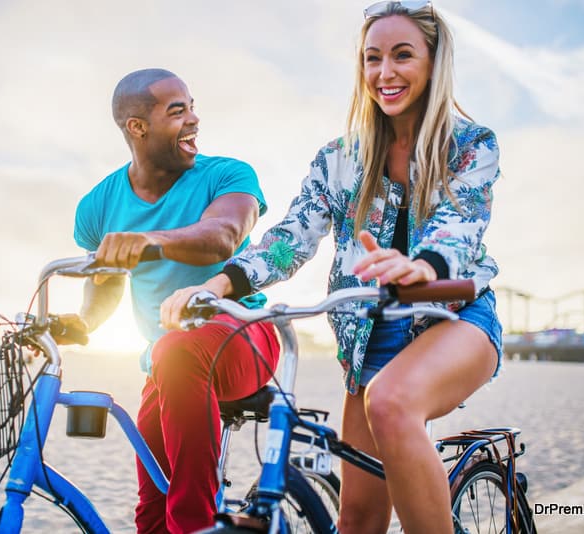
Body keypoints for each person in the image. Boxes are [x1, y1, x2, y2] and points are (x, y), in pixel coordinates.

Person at [160, 3, 502, 533]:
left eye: (402, 55)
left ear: (434, 63)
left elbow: (460, 225)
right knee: (358, 518)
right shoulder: (339, 158)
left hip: (453, 320)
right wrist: (219, 282)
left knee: (389, 403)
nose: (384, 73)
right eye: (372, 58)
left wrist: (421, 265)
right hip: (369, 342)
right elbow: (291, 237)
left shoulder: (472, 146)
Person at [68, 68, 280, 533]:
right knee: (151, 509)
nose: (194, 119)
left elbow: (223, 237)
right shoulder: (99, 205)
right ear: (137, 127)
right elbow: (106, 282)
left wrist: (149, 240)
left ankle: (197, 528)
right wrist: (82, 323)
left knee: (175, 354)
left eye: (192, 106)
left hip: (243, 334)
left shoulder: (227, 174)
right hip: (164, 360)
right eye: (177, 110)